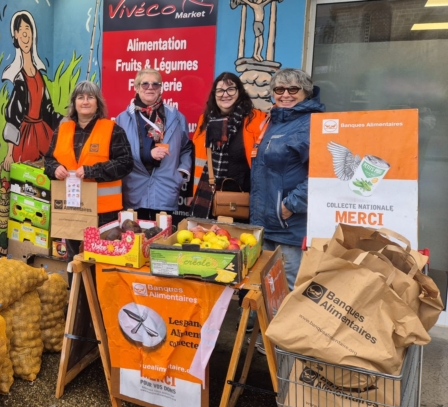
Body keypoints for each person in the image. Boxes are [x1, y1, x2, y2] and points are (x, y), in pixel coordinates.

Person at [250, 68, 325, 289]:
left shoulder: (311, 123)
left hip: (290, 227)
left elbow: (323, 173)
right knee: (266, 289)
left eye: (293, 89)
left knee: (287, 289)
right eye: (279, 89)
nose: (285, 95)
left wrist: (290, 205)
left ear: (306, 92)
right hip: (265, 224)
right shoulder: (273, 121)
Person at [44, 81, 134, 260]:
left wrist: (94, 171)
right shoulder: (62, 129)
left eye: (90, 97)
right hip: (71, 208)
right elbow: (48, 160)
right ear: (74, 103)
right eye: (80, 97)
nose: (85, 102)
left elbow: (126, 163)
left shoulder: (113, 130)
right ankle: (74, 281)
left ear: (97, 103)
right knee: (74, 258)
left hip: (103, 212)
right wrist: (55, 169)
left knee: (100, 259)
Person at [116, 68, 194, 221]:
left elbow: (186, 148)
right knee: (136, 234)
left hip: (165, 189)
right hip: (134, 189)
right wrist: (147, 153)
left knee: (163, 235)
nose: (150, 88)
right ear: (136, 88)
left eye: (155, 84)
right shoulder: (122, 119)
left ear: (160, 88)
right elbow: (119, 154)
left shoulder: (176, 117)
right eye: (145, 84)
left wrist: (179, 174)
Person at [190, 72, 268, 219]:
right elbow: (196, 160)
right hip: (208, 196)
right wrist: (191, 194)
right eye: (220, 90)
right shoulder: (205, 121)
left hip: (243, 197)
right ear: (214, 94)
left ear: (240, 92)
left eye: (230, 89)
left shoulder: (256, 119)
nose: (225, 95)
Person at [1, 11, 63, 171]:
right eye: (20, 29)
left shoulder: (39, 74)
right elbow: (13, 115)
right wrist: (9, 154)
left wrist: (68, 120)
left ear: (32, 33)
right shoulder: (18, 77)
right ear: (15, 35)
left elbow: (48, 110)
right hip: (25, 139)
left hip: (43, 133)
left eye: (27, 28)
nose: (24, 34)